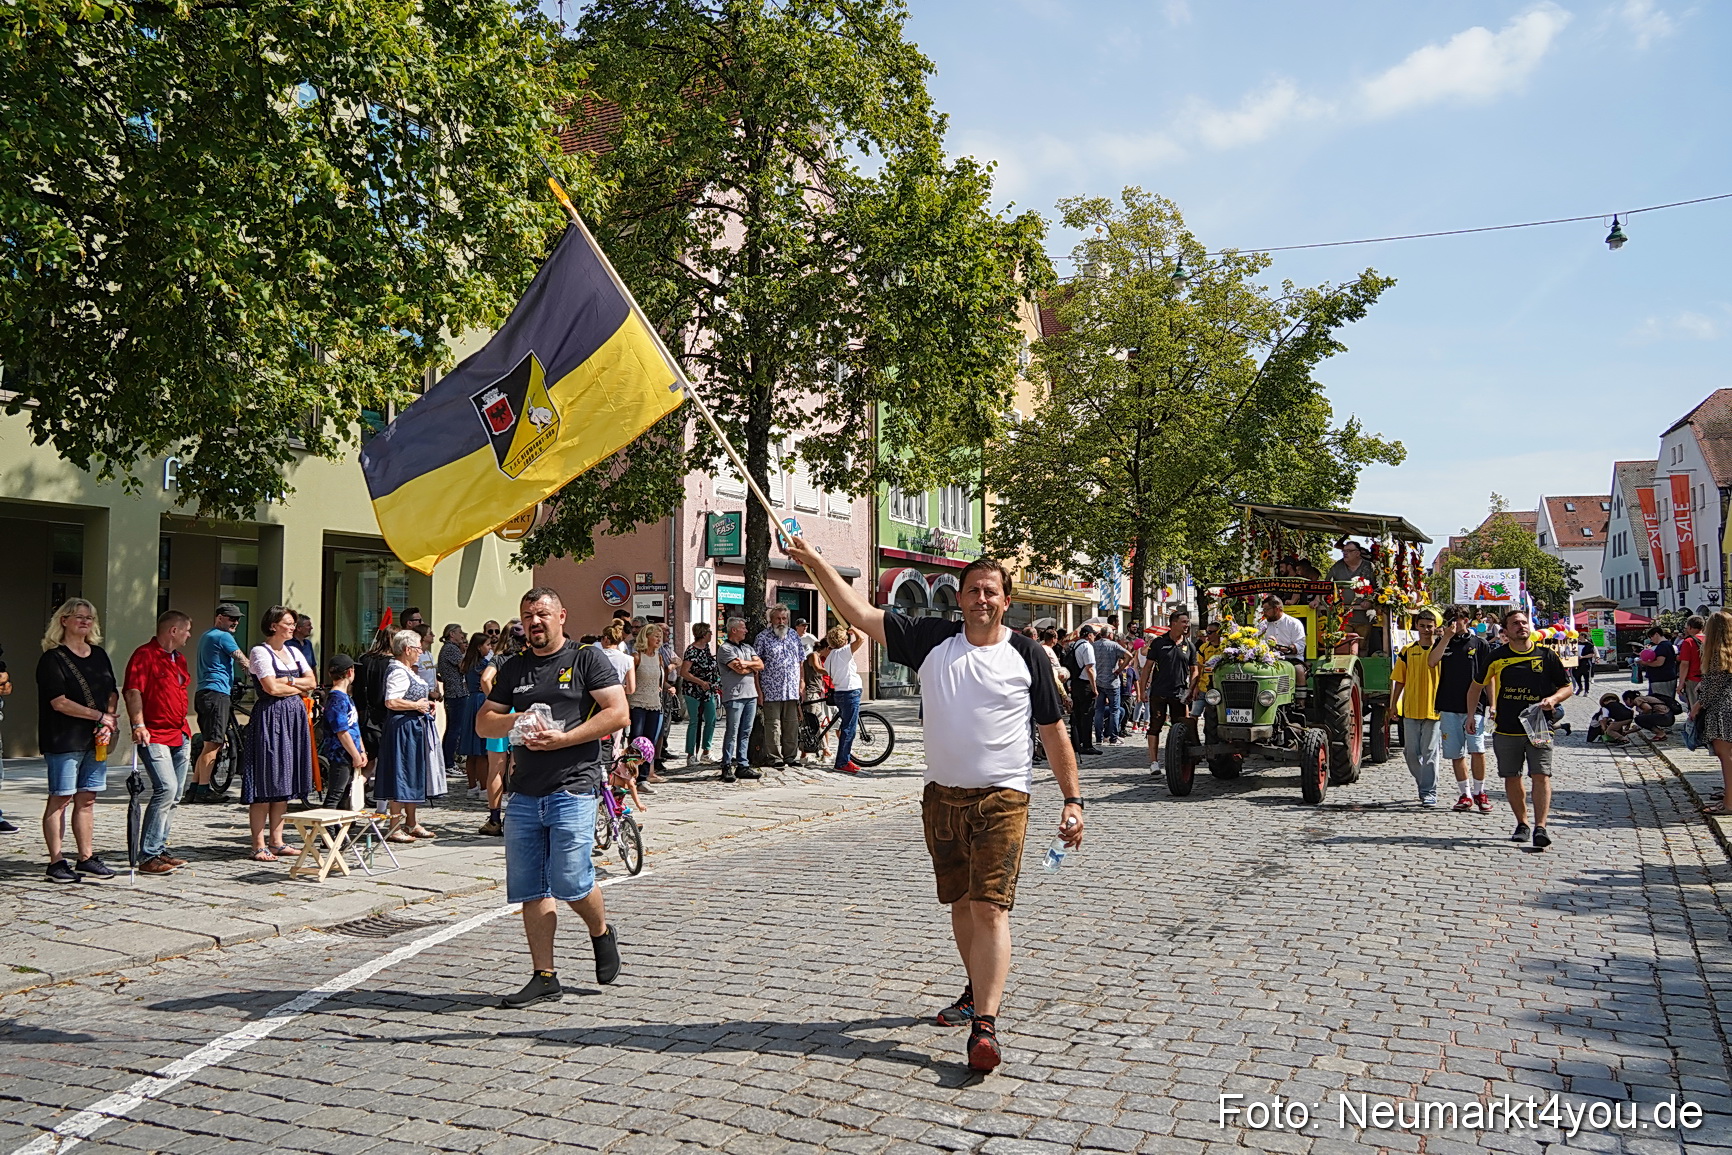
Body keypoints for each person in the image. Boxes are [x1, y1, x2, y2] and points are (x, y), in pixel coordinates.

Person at [786, 538, 1082, 1073]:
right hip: (941, 798)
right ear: (960, 599)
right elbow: (856, 610)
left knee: (991, 906)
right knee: (963, 905)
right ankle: (975, 989)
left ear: (1005, 600)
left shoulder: (1028, 654)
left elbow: (1052, 731)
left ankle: (984, 1027)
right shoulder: (930, 640)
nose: (981, 599)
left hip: (1004, 797)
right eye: (972, 591)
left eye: (991, 591)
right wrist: (815, 563)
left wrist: (1073, 799)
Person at [474, 586, 627, 1009]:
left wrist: (564, 739)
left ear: (561, 615)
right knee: (531, 887)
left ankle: (600, 932)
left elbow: (617, 712)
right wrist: (517, 718)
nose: (534, 622)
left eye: (541, 614)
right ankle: (544, 976)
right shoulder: (513, 667)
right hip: (524, 792)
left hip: (573, 785)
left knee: (571, 879)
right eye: (527, 617)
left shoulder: (585, 658)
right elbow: (484, 724)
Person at [1464, 609, 1572, 849]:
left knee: (1541, 775)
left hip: (1539, 727)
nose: (1521, 626)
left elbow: (1567, 687)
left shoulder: (1546, 655)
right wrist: (1472, 716)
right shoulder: (1496, 657)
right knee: (1512, 777)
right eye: (1515, 623)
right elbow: (1475, 687)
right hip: (1506, 728)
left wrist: (1554, 699)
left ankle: (1540, 827)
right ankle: (1522, 823)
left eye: (1524, 622)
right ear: (1505, 631)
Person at [37, 598, 119, 882]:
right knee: (60, 798)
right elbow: (59, 702)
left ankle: (86, 856)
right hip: (63, 737)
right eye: (78, 616)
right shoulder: (52, 658)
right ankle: (56, 860)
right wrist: (99, 716)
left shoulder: (98, 654)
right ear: (64, 620)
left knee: (87, 798)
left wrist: (108, 720)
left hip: (95, 738)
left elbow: (111, 690)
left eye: (89, 617)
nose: (84, 621)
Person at [239, 606, 316, 861]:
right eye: (287, 623)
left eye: (293, 623)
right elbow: (270, 687)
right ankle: (258, 843)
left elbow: (312, 682)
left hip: (293, 718)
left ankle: (277, 840)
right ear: (273, 625)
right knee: (265, 779)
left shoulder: (294, 651)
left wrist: (289, 683)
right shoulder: (260, 652)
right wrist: (296, 685)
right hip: (270, 718)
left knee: (284, 778)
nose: (292, 627)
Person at [123, 610, 194, 874]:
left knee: (175, 795)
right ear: (173, 631)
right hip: (153, 733)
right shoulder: (145, 655)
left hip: (178, 732)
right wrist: (138, 724)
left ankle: (160, 848)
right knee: (165, 788)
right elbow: (133, 691)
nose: (189, 635)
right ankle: (148, 855)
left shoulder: (179, 659)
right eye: (186, 630)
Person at [375, 629, 437, 844]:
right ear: (408, 649)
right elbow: (391, 701)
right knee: (401, 773)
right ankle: (394, 825)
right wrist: (417, 705)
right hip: (402, 728)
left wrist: (425, 705)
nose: (421, 652)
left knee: (413, 772)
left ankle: (411, 821)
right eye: (418, 648)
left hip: (413, 726)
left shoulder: (408, 670)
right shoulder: (398, 671)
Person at [1429, 607, 1492, 812]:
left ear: (1466, 620)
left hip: (1476, 706)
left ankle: (1480, 791)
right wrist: (1446, 638)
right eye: (1448, 621)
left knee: (1477, 749)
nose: (1452, 624)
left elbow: (1488, 677)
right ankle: (1464, 794)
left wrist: (1493, 704)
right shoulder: (1443, 641)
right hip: (1449, 704)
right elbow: (1432, 661)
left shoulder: (1479, 644)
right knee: (1455, 753)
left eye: (1455, 620)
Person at [188, 603, 248, 803]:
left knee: (208, 744)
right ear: (220, 617)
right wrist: (262, 678)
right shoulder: (223, 637)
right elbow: (242, 660)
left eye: (238, 619)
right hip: (217, 694)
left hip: (204, 693)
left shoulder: (207, 636)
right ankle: (204, 790)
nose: (236, 622)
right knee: (214, 743)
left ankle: (194, 788)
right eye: (232, 618)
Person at [457, 632, 510, 836]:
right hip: (483, 701)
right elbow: (488, 679)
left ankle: (473, 786)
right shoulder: (482, 665)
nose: (489, 647)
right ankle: (481, 788)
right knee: (481, 751)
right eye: (487, 644)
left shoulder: (469, 662)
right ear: (480, 647)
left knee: (473, 749)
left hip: (473, 701)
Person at [1389, 607, 1443, 806]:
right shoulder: (1408, 651)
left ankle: (1429, 792)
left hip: (1434, 710)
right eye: (1422, 626)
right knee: (1410, 753)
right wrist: (1393, 704)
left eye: (1429, 626)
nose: (1426, 630)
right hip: (1411, 708)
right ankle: (1424, 783)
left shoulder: (1441, 651)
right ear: (1416, 627)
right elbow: (1399, 680)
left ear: (1435, 627)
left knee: (1429, 753)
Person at [1142, 610, 1198, 780]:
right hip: (1159, 692)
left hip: (1180, 693)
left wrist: (1192, 688)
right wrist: (1142, 690)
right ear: (1173, 623)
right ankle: (1154, 762)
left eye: (1187, 622)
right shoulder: (1159, 643)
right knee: (1155, 725)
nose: (1186, 625)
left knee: (1180, 727)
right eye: (1184, 622)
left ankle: (1178, 761)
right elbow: (1147, 668)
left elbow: (1194, 670)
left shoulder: (1189, 645)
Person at [1689, 610, 1732, 816]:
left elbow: (1714, 686)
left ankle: (1730, 802)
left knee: (1726, 757)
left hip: (1723, 710)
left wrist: (1697, 706)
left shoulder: (1717, 653)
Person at [754, 605, 805, 769]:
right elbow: (756, 667)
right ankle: (774, 757)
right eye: (778, 618)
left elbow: (800, 662)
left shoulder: (793, 636)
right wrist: (758, 691)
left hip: (791, 689)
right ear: (771, 619)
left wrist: (801, 682)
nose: (781, 622)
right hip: (771, 690)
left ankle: (790, 756)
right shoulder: (762, 638)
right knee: (773, 726)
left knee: (791, 724)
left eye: (784, 619)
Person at [716, 618, 763, 782]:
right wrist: (751, 666)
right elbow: (739, 669)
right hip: (735, 695)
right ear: (734, 630)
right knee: (732, 732)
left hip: (751, 695)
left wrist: (746, 664)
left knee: (746, 732)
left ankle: (743, 764)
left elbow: (761, 665)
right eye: (743, 628)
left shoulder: (747, 647)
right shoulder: (725, 648)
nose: (746, 631)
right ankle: (727, 764)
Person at [320, 655, 368, 809]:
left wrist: (361, 750)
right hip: (340, 755)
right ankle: (328, 829)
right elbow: (342, 731)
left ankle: (340, 829)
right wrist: (355, 754)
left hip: (351, 751)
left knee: (345, 794)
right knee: (336, 794)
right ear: (349, 672)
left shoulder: (346, 697)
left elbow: (354, 726)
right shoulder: (337, 699)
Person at [627, 623, 669, 792]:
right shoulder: (636, 657)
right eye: (656, 636)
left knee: (650, 742)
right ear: (646, 637)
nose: (659, 639)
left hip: (654, 703)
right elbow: (629, 680)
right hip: (637, 703)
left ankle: (644, 777)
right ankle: (631, 774)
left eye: (660, 636)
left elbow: (659, 679)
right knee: (637, 739)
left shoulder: (658, 657)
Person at [824, 624, 867, 774]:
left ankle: (845, 758)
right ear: (843, 640)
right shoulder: (843, 651)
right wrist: (854, 629)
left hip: (839, 692)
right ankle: (842, 761)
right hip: (850, 691)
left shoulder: (829, 657)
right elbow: (861, 640)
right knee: (849, 728)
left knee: (845, 727)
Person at [679, 622, 720, 765]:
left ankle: (706, 751)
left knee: (711, 719)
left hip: (707, 691)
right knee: (694, 721)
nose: (711, 634)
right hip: (693, 690)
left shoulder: (707, 648)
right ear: (703, 634)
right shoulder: (691, 650)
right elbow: (684, 672)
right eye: (709, 632)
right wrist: (700, 682)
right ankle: (691, 754)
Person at [437, 623, 469, 773]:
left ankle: (449, 760)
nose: (462, 635)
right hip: (456, 693)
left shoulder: (450, 648)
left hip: (456, 692)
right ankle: (448, 762)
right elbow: (463, 666)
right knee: (454, 729)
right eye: (459, 632)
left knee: (453, 728)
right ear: (452, 634)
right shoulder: (451, 648)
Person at [1064, 626, 1100, 756]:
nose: (1094, 636)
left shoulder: (1075, 645)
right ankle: (1087, 744)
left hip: (1075, 683)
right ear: (1089, 635)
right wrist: (1094, 688)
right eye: (1093, 634)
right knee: (1087, 715)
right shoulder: (1087, 647)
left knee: (1077, 714)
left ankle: (1076, 743)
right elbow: (1089, 668)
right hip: (1085, 684)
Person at [1090, 626, 1128, 748]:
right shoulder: (1114, 645)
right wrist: (1119, 670)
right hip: (1112, 682)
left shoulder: (1094, 645)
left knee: (1098, 710)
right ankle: (1113, 738)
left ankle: (1099, 738)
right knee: (1114, 710)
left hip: (1098, 681)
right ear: (1110, 634)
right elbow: (1129, 656)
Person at [1255, 595, 1308, 676]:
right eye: (1263, 609)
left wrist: (1279, 648)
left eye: (1267, 609)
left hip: (1292, 660)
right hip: (1268, 660)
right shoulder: (1262, 625)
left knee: (1299, 670)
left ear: (1277, 609)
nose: (1264, 612)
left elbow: (1300, 646)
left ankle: (1301, 688)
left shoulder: (1294, 623)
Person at [801, 637, 834, 765]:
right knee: (815, 723)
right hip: (811, 694)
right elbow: (818, 669)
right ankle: (825, 750)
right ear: (827, 648)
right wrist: (833, 672)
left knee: (816, 723)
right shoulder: (814, 655)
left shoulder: (819, 657)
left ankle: (807, 753)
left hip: (817, 694)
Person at [1640, 626, 1679, 702]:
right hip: (1668, 676)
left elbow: (1659, 663)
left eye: (1651, 637)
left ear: (1657, 634)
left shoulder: (1662, 646)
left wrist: (1644, 663)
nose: (1651, 639)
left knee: (1660, 701)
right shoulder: (1668, 644)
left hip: (1661, 679)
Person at [1676, 616, 1705, 714]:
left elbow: (1684, 664)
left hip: (1694, 679)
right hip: (1709, 678)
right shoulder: (1710, 639)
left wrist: (1681, 684)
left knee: (1695, 709)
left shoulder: (1688, 642)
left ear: (1689, 627)